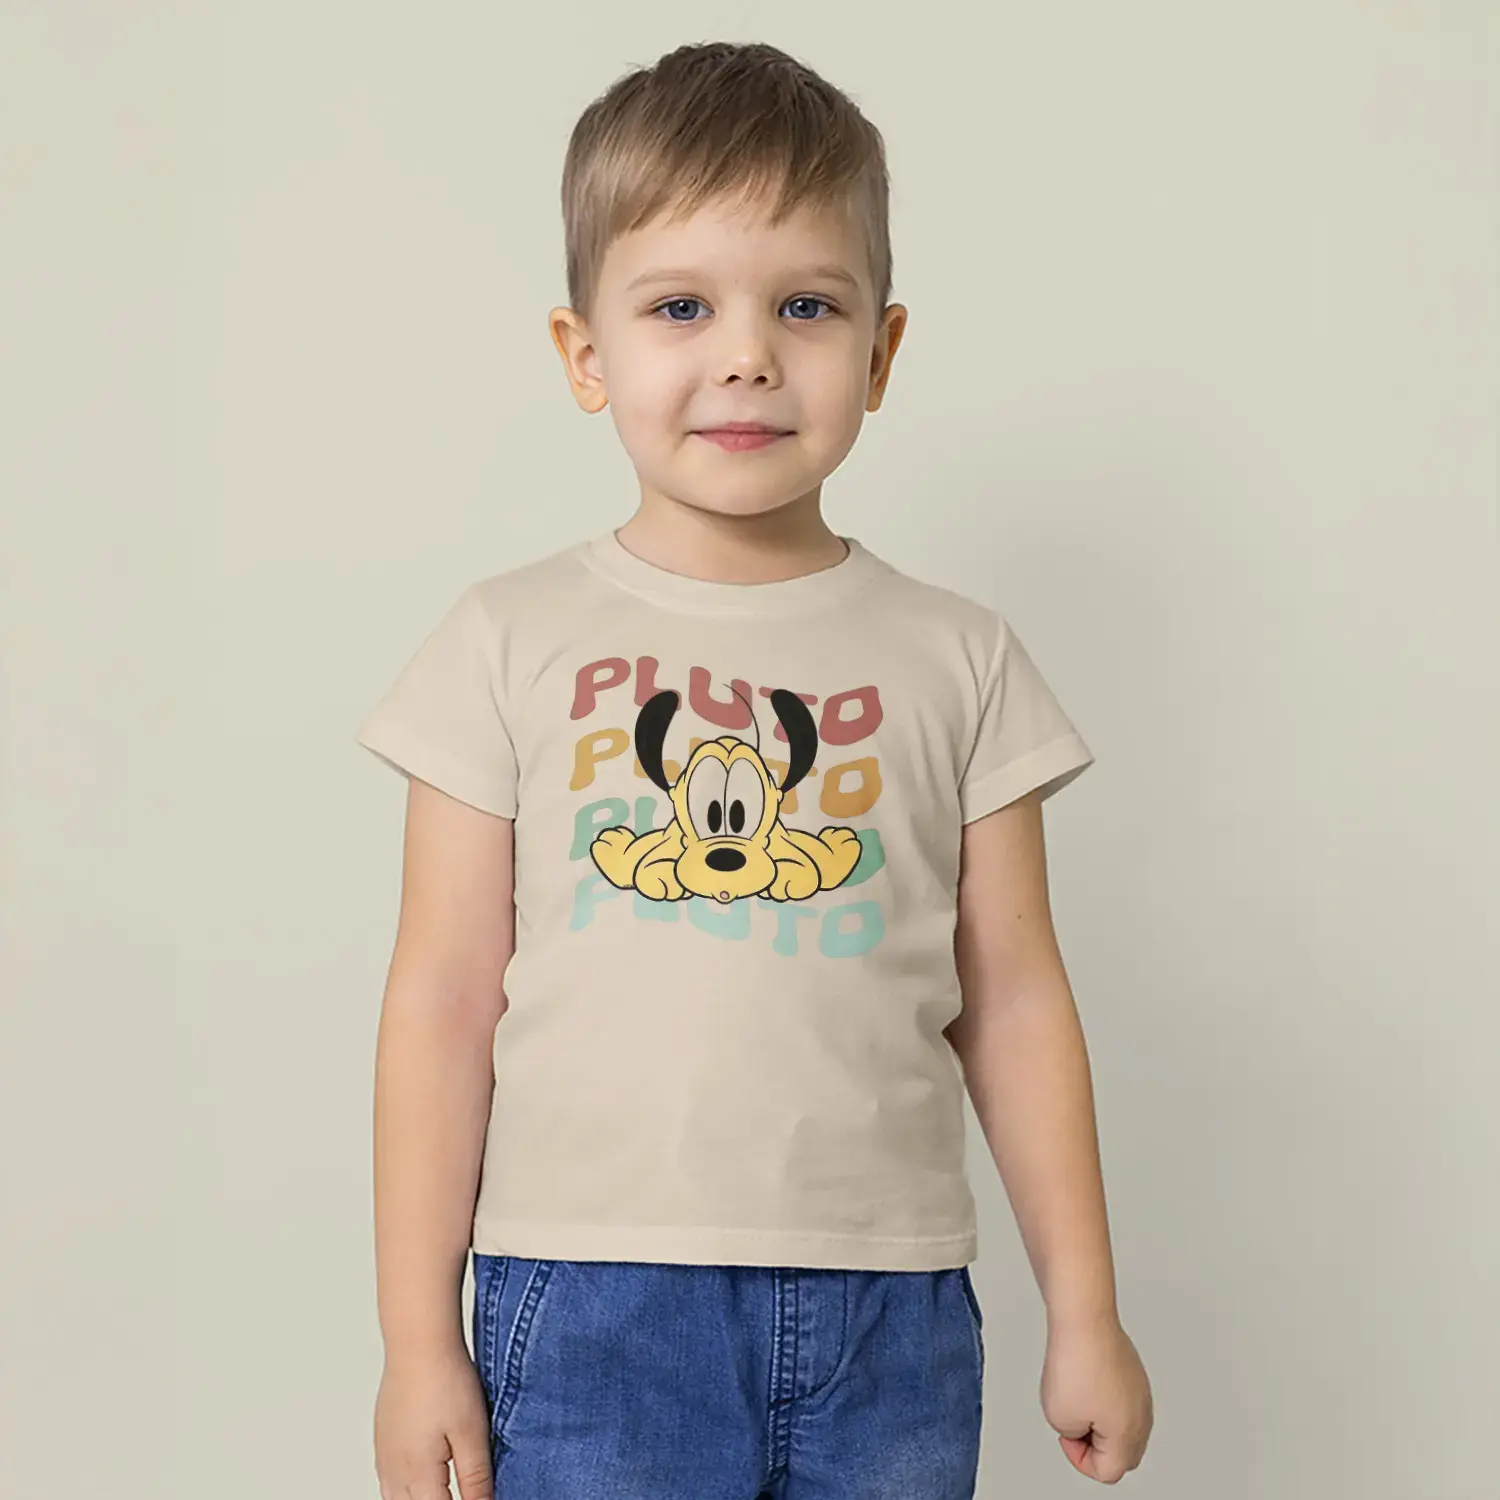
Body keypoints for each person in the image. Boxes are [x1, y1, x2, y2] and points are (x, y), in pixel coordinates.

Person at [356, 38, 1152, 1500]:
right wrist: (418, 1343)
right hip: (592, 1302)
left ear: (882, 352)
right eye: (681, 306)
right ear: (584, 353)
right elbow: (442, 1000)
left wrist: (1086, 1310)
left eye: (805, 305)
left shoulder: (960, 656)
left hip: (893, 1313)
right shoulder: (503, 640)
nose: (747, 354)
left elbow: (1017, 999)